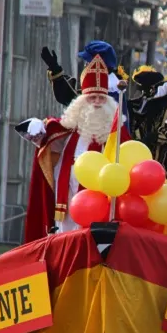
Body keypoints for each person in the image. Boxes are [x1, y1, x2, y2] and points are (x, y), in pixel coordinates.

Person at [16, 44, 128, 243]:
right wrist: (35, 130)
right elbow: (50, 144)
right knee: (66, 241)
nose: (96, 102)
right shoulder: (69, 129)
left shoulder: (118, 133)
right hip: (67, 202)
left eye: (101, 98)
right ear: (81, 101)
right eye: (91, 97)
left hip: (102, 205)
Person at [40, 41, 129, 109]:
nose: (86, 65)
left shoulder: (110, 90)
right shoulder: (106, 84)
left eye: (88, 62)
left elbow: (74, 101)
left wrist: (57, 72)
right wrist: (56, 71)